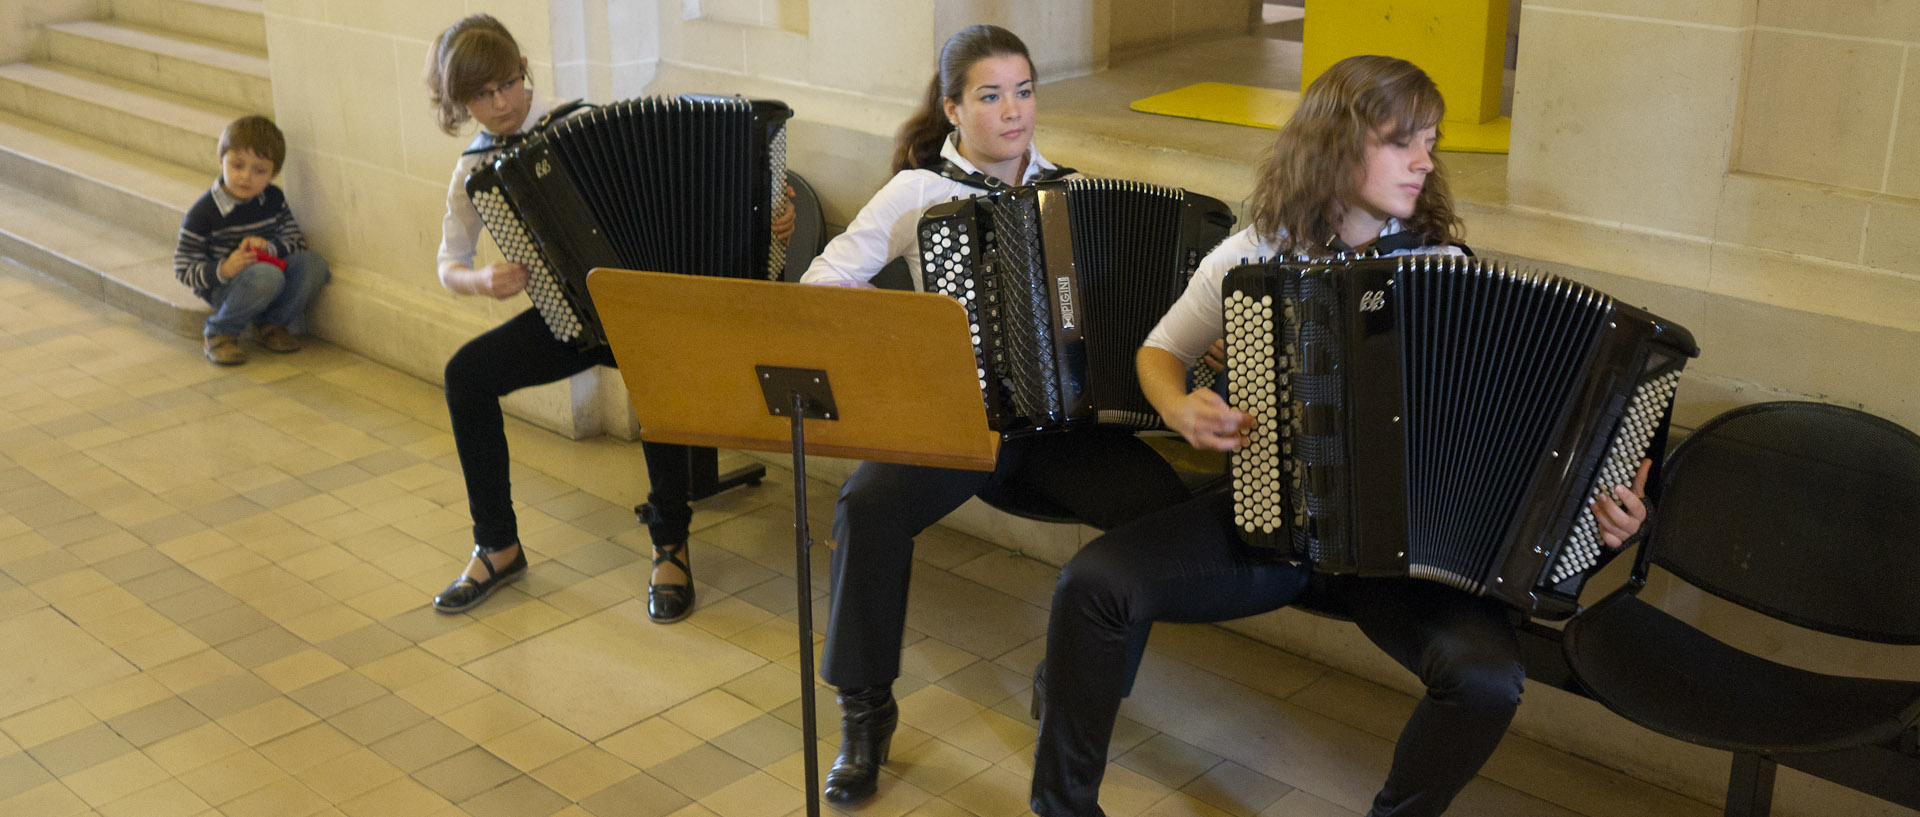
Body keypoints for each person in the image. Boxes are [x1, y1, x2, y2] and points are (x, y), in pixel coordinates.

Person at [1028, 55, 1655, 817]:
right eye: (1403, 140)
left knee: (1488, 679)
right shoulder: (1257, 250)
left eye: (1431, 139)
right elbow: (1161, 351)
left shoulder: (1441, 268)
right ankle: (1062, 807)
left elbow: (1510, 451)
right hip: (1272, 525)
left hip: (1398, 560)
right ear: (1333, 143)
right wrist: (1183, 407)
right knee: (1094, 586)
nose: (1425, 159)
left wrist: (1601, 518)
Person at [798, 24, 1192, 805]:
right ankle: (865, 711)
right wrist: (909, 340)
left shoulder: (1073, 192)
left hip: (1059, 433)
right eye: (989, 95)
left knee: (1163, 518)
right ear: (952, 108)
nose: (1013, 111)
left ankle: (1078, 683)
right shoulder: (915, 193)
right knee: (867, 504)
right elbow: (818, 288)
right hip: (958, 426)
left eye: (1024, 91)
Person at [423, 14, 789, 621]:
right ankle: (498, 544)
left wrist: (770, 218)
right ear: (462, 103)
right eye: (482, 96)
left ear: (525, 72)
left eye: (510, 83)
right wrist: (482, 281)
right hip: (568, 320)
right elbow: (447, 263)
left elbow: (701, 194)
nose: (501, 103)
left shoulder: (579, 122)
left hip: (645, 316)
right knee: (467, 376)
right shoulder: (474, 169)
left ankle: (670, 543)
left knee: (656, 373)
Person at [174, 115, 330, 366]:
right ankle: (219, 333)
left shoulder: (273, 199)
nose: (246, 177)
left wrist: (269, 247)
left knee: (313, 264)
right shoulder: (203, 212)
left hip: (269, 277)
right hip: (225, 287)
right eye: (237, 166)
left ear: (274, 173)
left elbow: (294, 240)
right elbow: (183, 268)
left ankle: (271, 325)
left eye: (259, 171)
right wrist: (223, 269)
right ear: (220, 160)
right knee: (267, 276)